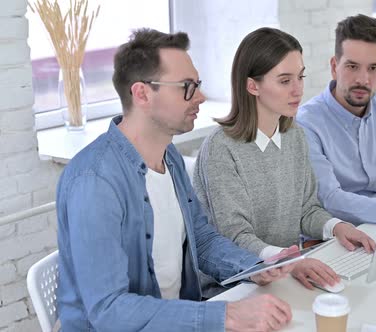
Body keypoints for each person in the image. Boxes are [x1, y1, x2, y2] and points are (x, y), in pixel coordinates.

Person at [56, 28, 296, 332]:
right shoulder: (95, 181)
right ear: (142, 93)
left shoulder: (169, 158)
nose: (200, 96)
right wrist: (226, 315)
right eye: (186, 86)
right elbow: (109, 310)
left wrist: (253, 267)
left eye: (197, 85)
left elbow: (201, 239)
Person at [193, 27, 376, 291]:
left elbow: (307, 210)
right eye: (284, 80)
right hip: (236, 286)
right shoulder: (221, 148)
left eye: (300, 77)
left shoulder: (295, 136)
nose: (298, 90)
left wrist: (337, 227)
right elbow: (234, 236)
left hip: (283, 275)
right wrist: (289, 260)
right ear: (252, 85)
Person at [297, 14, 376, 225]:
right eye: (352, 66)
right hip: (341, 235)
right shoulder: (306, 124)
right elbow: (330, 198)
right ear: (334, 67)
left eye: (373, 68)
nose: (363, 80)